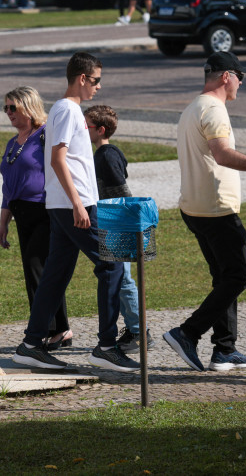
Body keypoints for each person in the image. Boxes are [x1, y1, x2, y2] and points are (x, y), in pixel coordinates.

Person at [11, 52, 137, 373]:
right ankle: (107, 346)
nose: (97, 86)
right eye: (95, 80)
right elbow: (57, 159)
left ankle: (30, 345)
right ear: (82, 78)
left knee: (55, 275)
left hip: (63, 205)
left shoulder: (66, 110)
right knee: (113, 265)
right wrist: (79, 203)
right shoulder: (68, 109)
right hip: (74, 205)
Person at [163, 51, 246, 372]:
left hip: (194, 208)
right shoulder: (214, 109)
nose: (242, 83)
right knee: (238, 277)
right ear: (227, 76)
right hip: (217, 211)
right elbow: (222, 155)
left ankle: (224, 349)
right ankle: (187, 333)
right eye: (241, 76)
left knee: (224, 278)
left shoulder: (192, 108)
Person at [0, 86, 71, 351]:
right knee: (40, 271)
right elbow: (8, 185)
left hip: (44, 210)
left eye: (13, 108)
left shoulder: (43, 136)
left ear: (28, 107)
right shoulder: (13, 142)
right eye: (5, 108)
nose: (8, 113)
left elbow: (62, 168)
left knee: (37, 268)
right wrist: (3, 221)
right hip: (20, 212)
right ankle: (59, 328)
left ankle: (46, 329)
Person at [84, 104, 154, 352]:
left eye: (87, 126)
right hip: (110, 223)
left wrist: (126, 226)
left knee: (123, 280)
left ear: (100, 130)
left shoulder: (107, 156)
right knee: (121, 279)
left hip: (117, 224)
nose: (82, 129)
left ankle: (139, 332)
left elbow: (122, 193)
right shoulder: (100, 155)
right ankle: (136, 329)